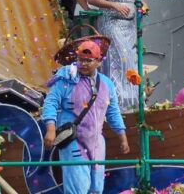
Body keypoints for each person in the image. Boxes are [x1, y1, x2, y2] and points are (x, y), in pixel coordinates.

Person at [43, 39, 129, 194]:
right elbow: (50, 103)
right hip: (73, 141)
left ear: (98, 62)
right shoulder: (66, 79)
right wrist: (50, 129)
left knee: (96, 187)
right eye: (80, 60)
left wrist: (122, 136)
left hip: (96, 142)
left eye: (88, 61)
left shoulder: (107, 84)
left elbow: (113, 112)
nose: (83, 64)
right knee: (78, 187)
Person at [88, 0, 142, 111]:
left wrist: (143, 4)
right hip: (112, 24)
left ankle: (134, 103)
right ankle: (117, 105)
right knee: (119, 61)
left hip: (131, 24)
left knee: (132, 60)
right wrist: (114, 5)